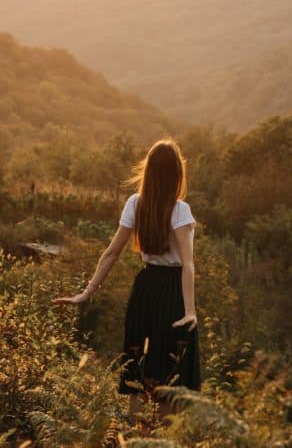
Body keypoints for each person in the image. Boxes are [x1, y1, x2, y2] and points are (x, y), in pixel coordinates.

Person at [52, 138, 201, 423]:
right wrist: (190, 309)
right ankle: (159, 440)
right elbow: (188, 264)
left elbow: (111, 253)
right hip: (174, 294)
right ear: (177, 174)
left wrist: (87, 291)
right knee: (170, 380)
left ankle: (134, 437)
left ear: (149, 172)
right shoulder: (180, 209)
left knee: (140, 375)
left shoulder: (135, 203)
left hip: (144, 289)